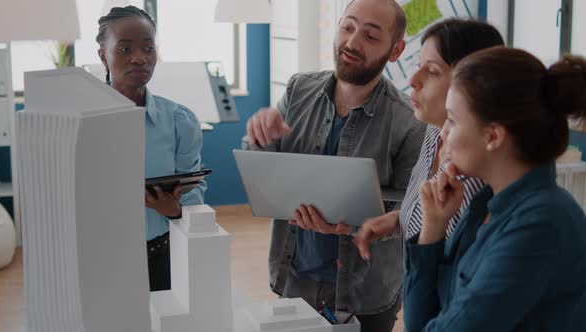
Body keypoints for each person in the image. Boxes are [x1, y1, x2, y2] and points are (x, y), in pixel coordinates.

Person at [244, 0, 426, 330]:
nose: (352, 42)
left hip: (366, 294)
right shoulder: (298, 89)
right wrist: (259, 134)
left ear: (395, 50)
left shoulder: (409, 123)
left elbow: (411, 215)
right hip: (294, 276)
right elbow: (263, 168)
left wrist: (352, 225)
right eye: (348, 27)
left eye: (371, 36)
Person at [403, 47, 586, 331]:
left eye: (452, 119)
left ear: (492, 136)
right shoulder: (483, 206)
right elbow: (419, 323)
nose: (443, 133)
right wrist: (434, 227)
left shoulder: (542, 222)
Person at [354, 19, 504, 259]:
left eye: (432, 71)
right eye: (418, 65)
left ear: (475, 85)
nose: (413, 80)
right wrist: (398, 219)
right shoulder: (434, 130)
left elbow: (449, 274)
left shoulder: (474, 175)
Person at [96, 6, 206, 292]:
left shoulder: (179, 121)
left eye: (148, 48)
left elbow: (194, 191)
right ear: (102, 55)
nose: (139, 58)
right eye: (125, 48)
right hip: (98, 256)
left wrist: (176, 210)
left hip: (162, 255)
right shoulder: (83, 120)